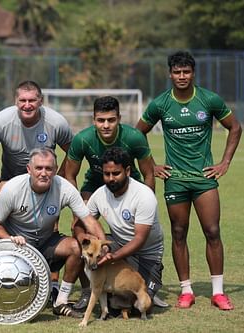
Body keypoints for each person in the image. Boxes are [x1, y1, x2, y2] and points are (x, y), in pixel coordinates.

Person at [136, 51, 242, 310]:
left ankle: (218, 292)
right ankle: (186, 290)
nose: (181, 76)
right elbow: (137, 134)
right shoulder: (160, 104)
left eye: (186, 72)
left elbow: (235, 127)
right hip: (175, 180)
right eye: (177, 72)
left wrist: (225, 162)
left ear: (193, 73)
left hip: (204, 178)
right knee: (179, 233)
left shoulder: (209, 99)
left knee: (213, 231)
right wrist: (152, 166)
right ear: (170, 74)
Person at [0, 147, 106, 318]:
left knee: (76, 247)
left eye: (49, 168)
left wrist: (102, 245)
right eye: (39, 168)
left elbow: (89, 220)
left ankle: (61, 301)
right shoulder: (12, 189)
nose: (44, 173)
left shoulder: (65, 188)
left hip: (46, 241)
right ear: (29, 169)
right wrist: (10, 238)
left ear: (56, 170)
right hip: (18, 247)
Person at [65, 95, 156, 311]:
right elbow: (70, 175)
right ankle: (89, 290)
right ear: (94, 120)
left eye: (111, 120)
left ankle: (139, 279)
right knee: (80, 232)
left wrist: (148, 200)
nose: (106, 125)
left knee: (132, 302)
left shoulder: (134, 137)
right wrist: (78, 206)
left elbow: (148, 172)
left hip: (126, 187)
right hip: (94, 188)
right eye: (100, 120)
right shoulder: (83, 139)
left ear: (119, 119)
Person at [75, 147, 165, 312]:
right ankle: (89, 291)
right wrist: (83, 240)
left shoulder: (144, 195)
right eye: (106, 174)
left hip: (146, 256)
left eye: (116, 173)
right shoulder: (100, 194)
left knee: (140, 306)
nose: (110, 179)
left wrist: (112, 256)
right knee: (80, 250)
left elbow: (139, 240)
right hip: (118, 246)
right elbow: (80, 224)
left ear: (128, 171)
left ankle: (145, 290)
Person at [0, 80, 73, 194]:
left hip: (45, 185)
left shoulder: (56, 123)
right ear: (16, 101)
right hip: (11, 186)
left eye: (32, 100)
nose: (27, 105)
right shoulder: (0, 122)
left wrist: (58, 179)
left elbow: (72, 152)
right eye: (22, 100)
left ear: (40, 101)